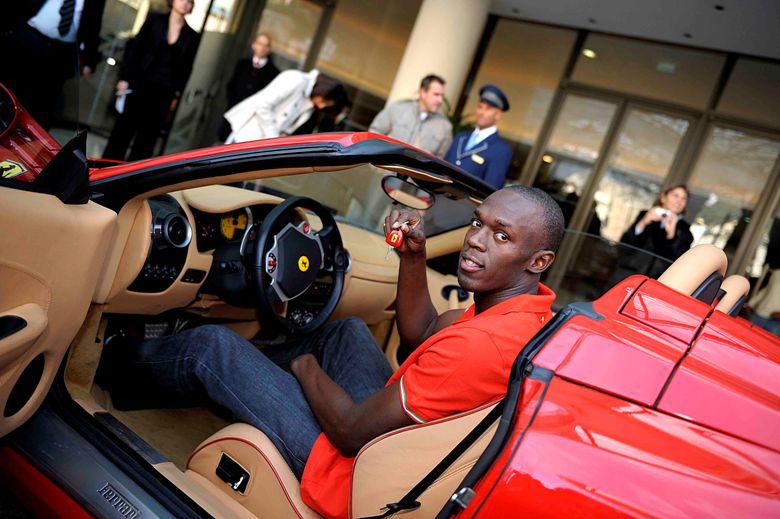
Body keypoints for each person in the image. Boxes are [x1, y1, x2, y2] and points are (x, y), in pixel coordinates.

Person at [96, 185, 564, 518]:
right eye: (479, 224)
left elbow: (348, 432)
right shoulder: (525, 317)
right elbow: (422, 332)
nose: (477, 240)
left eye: (502, 236)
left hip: (353, 474)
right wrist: (413, 257)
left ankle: (109, 364)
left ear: (539, 261)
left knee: (212, 348)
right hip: (391, 448)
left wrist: (304, 368)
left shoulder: (480, 347)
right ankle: (238, 385)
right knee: (348, 333)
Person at [102, 0, 199, 162]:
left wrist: (177, 92)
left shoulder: (192, 36)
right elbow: (135, 49)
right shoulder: (155, 20)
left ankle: (135, 181)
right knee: (122, 133)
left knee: (146, 140)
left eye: (189, 1)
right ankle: (104, 172)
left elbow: (187, 68)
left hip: (163, 92)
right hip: (139, 84)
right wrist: (125, 78)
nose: (184, 3)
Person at [0, 0, 107, 129]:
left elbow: (94, 25)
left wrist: (89, 61)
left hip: (61, 53)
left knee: (42, 106)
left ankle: (25, 143)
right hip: (28, 39)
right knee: (8, 92)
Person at [222, 69, 348, 143]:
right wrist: (273, 138)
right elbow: (262, 105)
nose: (322, 106)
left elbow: (287, 125)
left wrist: (283, 136)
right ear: (323, 90)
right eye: (324, 101)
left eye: (326, 106)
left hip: (261, 146)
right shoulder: (296, 79)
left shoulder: (310, 103)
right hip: (247, 136)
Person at [444, 85, 513, 189]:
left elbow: (490, 189)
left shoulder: (501, 150)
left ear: (498, 115)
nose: (481, 112)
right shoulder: (460, 137)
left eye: (488, 109)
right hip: (438, 199)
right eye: (480, 107)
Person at [369, 74, 452, 157]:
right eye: (436, 94)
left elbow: (440, 160)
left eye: (442, 96)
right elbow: (375, 132)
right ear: (423, 92)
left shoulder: (445, 127)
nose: (440, 100)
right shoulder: (398, 108)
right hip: (385, 167)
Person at [217, 32, 280, 141]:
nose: (262, 48)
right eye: (260, 44)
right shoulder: (242, 64)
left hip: (253, 122)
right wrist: (234, 105)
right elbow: (231, 87)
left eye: (266, 45)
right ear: (253, 45)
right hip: (234, 114)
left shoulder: (274, 73)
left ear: (269, 49)